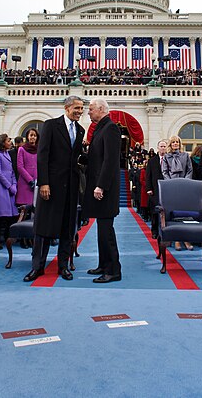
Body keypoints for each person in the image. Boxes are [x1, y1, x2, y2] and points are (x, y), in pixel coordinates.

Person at [24, 96, 85, 282]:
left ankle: (63, 267)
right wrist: (43, 182)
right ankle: (37, 267)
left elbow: (78, 157)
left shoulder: (81, 130)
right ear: (67, 108)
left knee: (67, 229)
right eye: (77, 108)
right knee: (43, 227)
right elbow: (43, 156)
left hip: (71, 187)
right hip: (50, 187)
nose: (80, 112)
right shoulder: (50, 125)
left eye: (82, 108)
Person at [83, 98, 122, 283]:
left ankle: (113, 270)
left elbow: (110, 161)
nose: (88, 112)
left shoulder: (111, 128)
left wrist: (101, 185)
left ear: (100, 109)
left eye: (91, 109)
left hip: (105, 189)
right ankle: (103, 264)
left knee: (106, 231)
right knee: (101, 229)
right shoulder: (100, 128)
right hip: (99, 187)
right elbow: (96, 157)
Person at [162, 135, 194, 251]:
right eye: (173, 142)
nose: (175, 144)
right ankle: (176, 240)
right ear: (170, 144)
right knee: (174, 214)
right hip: (172, 188)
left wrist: (185, 182)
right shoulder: (166, 157)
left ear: (180, 144)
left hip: (185, 186)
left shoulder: (185, 155)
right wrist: (171, 184)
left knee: (185, 213)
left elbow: (190, 170)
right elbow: (164, 172)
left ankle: (186, 239)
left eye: (177, 142)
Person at [144, 139, 168, 239]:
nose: (162, 148)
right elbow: (147, 176)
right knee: (154, 212)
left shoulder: (169, 159)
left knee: (165, 211)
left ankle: (165, 230)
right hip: (154, 189)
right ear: (158, 148)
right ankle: (154, 231)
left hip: (166, 189)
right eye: (161, 146)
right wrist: (149, 188)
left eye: (164, 146)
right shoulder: (152, 160)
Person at [15, 128, 38, 207]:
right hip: (25, 182)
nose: (33, 137)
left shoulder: (40, 149)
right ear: (27, 137)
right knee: (24, 207)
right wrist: (30, 180)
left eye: (35, 135)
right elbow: (20, 166)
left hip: (37, 182)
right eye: (31, 135)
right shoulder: (22, 149)